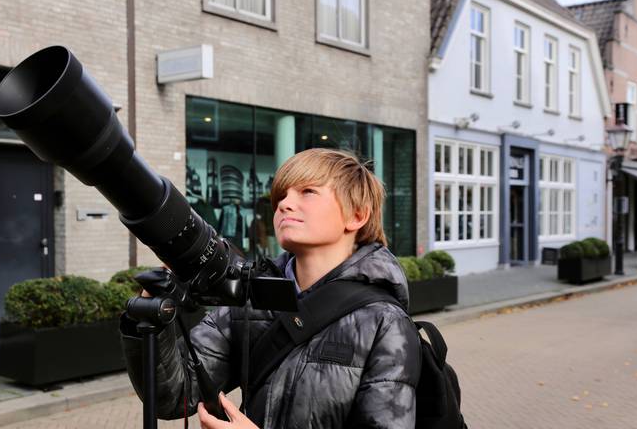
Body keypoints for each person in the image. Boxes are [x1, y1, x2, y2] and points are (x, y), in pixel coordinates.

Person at [121, 148, 421, 428]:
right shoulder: (253, 298)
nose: (284, 204)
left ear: (357, 215)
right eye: (281, 195)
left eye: (308, 192)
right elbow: (175, 395)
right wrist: (151, 320)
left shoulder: (384, 322)